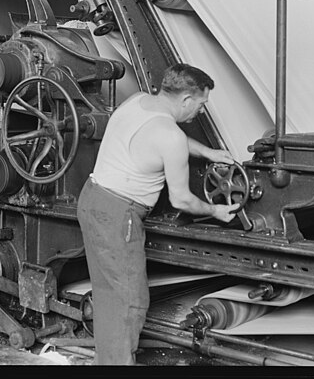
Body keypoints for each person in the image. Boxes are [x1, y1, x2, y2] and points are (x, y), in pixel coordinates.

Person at [77, 63, 237, 365]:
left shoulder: (137, 101)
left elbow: (164, 135)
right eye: (201, 104)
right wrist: (216, 209)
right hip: (118, 214)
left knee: (109, 295)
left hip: (93, 198)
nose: (200, 112)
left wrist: (208, 153)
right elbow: (182, 200)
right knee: (129, 303)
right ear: (187, 100)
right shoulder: (171, 137)